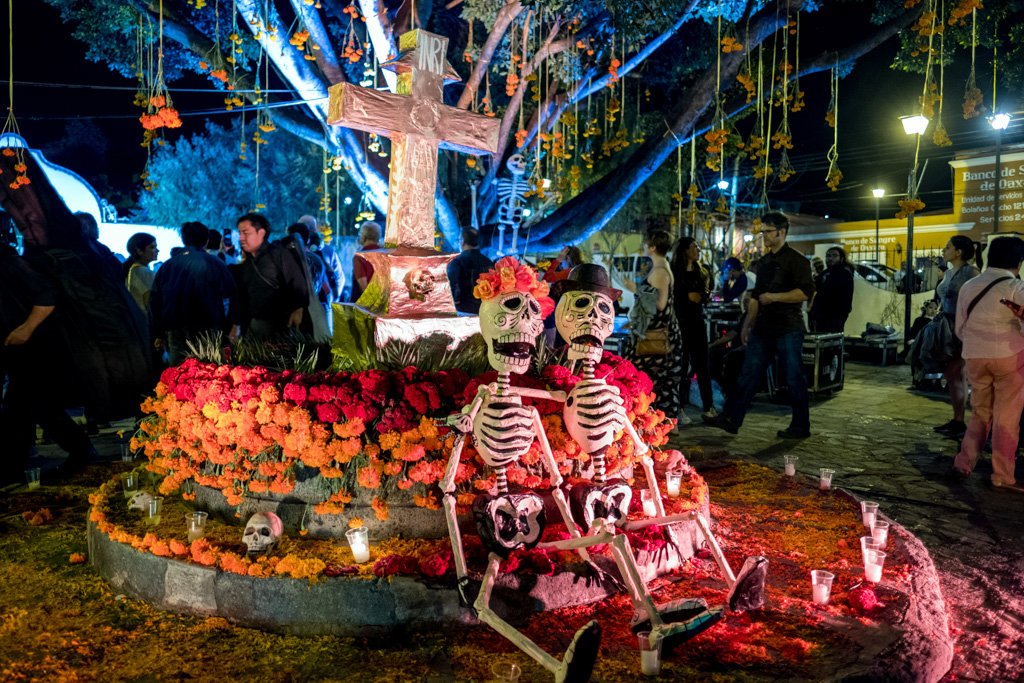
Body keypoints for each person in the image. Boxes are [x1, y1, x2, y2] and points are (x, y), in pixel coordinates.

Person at [704, 212, 815, 439]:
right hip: (764, 327)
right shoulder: (763, 263)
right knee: (749, 373)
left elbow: (805, 293)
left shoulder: (797, 261)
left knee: (794, 377)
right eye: (762, 231)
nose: (763, 235)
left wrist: (775, 298)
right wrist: (746, 326)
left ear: (781, 232)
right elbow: (755, 297)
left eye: (767, 231)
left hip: (788, 326)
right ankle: (731, 418)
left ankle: (801, 425)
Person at [0, 245, 95, 483]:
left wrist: (26, 328)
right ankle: (15, 465)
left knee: (25, 405)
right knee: (28, 406)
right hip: (22, 347)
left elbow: (47, 294)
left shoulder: (9, 261)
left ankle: (15, 466)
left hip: (32, 348)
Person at [950, 236, 1024, 492]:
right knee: (1007, 417)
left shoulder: (969, 285)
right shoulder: (1016, 287)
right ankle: (1002, 475)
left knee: (980, 412)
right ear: (1018, 261)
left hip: (974, 356)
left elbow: (961, 327)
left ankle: (964, 462)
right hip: (1010, 357)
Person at [615, 230, 685, 420]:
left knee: (652, 378)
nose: (644, 248)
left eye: (646, 245)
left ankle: (660, 420)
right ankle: (665, 420)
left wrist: (635, 289)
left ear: (652, 248)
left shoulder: (660, 271)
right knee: (663, 380)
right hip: (660, 334)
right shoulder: (661, 267)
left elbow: (659, 304)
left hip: (658, 336)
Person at [150, 221, 236, 366]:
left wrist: (158, 332)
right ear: (206, 240)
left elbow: (155, 300)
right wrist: (230, 326)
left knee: (178, 373)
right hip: (208, 328)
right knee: (208, 371)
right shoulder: (215, 264)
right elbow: (231, 295)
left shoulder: (168, 265)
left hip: (176, 330)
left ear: (183, 239)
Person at [932, 236, 983, 439]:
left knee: (956, 372)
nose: (944, 251)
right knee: (953, 375)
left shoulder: (971, 273)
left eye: (948, 247)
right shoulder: (949, 272)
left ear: (959, 252)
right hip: (947, 325)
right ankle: (957, 419)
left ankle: (962, 421)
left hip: (961, 328)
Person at [232, 213, 309, 337]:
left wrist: (298, 308)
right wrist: (236, 324)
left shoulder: (279, 255)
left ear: (261, 233)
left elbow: (298, 284)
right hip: (253, 326)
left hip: (280, 327)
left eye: (246, 233)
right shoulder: (246, 264)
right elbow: (241, 297)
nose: (241, 238)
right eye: (240, 233)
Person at [671, 236, 715, 419]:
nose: (698, 250)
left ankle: (708, 407)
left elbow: (706, 294)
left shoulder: (702, 272)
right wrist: (688, 297)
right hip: (680, 324)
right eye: (694, 246)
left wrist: (701, 297)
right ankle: (679, 406)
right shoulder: (674, 272)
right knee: (681, 366)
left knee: (702, 365)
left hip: (697, 322)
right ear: (685, 250)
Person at [808, 246, 854, 334]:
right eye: (828, 256)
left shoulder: (844, 273)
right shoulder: (826, 273)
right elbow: (815, 287)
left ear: (841, 258)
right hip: (821, 315)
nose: (830, 258)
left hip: (835, 315)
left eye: (834, 255)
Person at [447, 228, 494, 314]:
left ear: (462, 241)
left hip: (464, 310)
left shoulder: (457, 262)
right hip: (484, 311)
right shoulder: (488, 262)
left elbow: (451, 287)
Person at [124, 232, 158, 313]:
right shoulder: (144, 272)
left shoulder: (131, 269)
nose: (157, 250)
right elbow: (151, 304)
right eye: (152, 247)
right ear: (139, 251)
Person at [350, 221, 381, 303]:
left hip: (367, 307)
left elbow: (364, 288)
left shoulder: (360, 257)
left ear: (363, 237)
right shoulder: (386, 255)